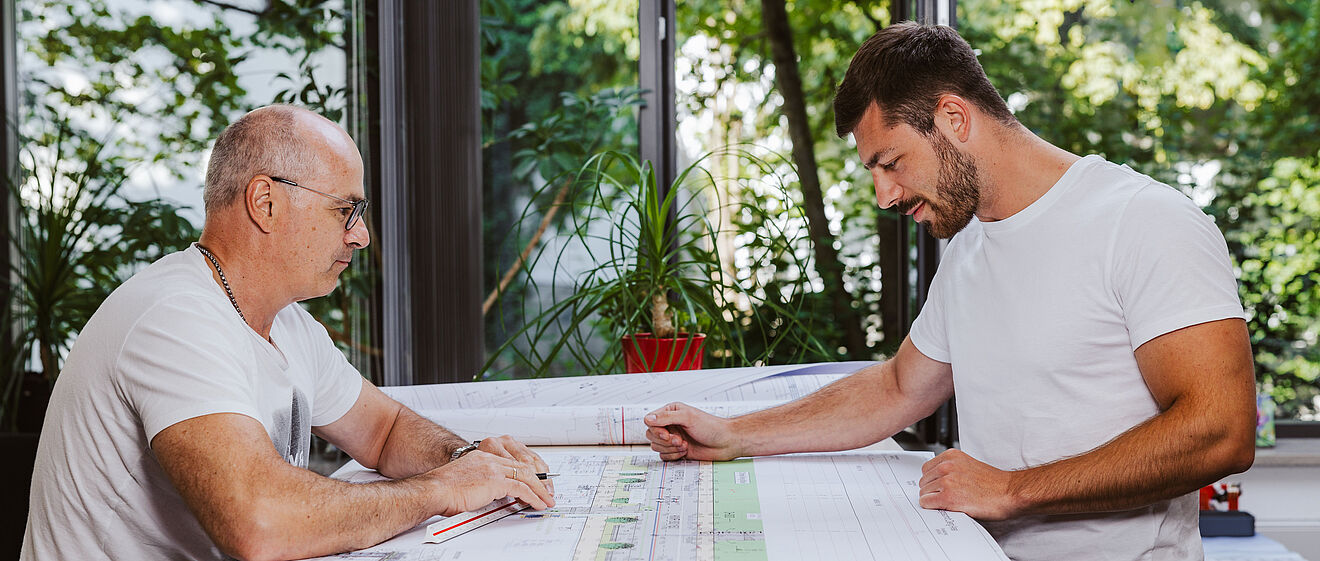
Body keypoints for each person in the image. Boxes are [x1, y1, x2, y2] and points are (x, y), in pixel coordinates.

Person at [643, 22, 1255, 561]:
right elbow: (898, 387)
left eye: (891, 162)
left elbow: (1222, 429)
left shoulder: (1145, 222)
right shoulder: (969, 246)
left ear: (953, 119)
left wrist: (1012, 491)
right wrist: (734, 433)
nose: (885, 196)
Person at [22, 105, 555, 561]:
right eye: (346, 209)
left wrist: (467, 462)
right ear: (266, 202)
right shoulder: (174, 318)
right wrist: (442, 490)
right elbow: (259, 522)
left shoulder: (288, 323)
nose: (362, 236)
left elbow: (383, 430)